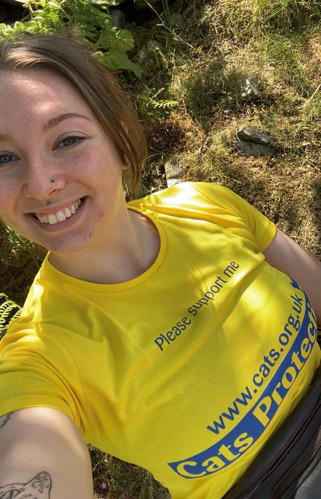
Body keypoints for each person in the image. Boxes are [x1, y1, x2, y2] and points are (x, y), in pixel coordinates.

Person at [0, 33, 320, 499]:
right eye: (3, 157)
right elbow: (27, 457)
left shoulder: (204, 203)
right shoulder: (39, 355)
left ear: (120, 137)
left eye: (67, 139)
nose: (43, 183)